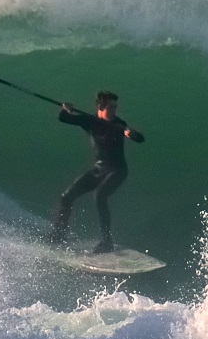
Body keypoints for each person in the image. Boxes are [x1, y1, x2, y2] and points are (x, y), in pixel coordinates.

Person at [48, 90, 144, 252]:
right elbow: (63, 118)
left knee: (100, 195)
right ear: (101, 107)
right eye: (110, 107)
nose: (114, 110)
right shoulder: (89, 120)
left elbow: (140, 138)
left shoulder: (119, 124)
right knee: (66, 197)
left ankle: (107, 242)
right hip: (99, 169)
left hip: (117, 170)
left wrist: (131, 133)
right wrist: (65, 109)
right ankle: (58, 236)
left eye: (115, 107)